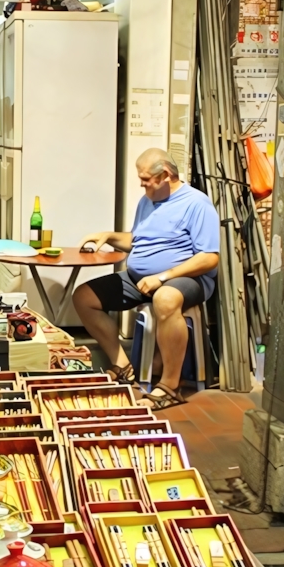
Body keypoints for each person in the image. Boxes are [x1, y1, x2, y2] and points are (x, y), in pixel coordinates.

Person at [72, 149, 221, 409]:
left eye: (145, 178)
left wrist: (162, 277)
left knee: (165, 298)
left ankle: (169, 388)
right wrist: (108, 236)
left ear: (165, 175)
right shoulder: (148, 201)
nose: (141, 183)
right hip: (141, 279)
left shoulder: (197, 203)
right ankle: (123, 366)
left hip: (186, 279)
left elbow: (209, 258)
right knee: (84, 297)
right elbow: (136, 240)